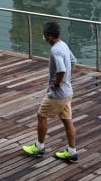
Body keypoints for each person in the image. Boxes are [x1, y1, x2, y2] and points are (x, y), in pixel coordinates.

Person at [21, 21, 78, 162]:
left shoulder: (55, 50)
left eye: (45, 34)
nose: (44, 36)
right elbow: (72, 61)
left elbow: (61, 69)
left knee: (41, 115)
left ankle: (39, 147)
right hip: (68, 92)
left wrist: (57, 83)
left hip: (58, 94)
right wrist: (67, 80)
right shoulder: (63, 45)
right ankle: (72, 152)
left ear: (50, 36)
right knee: (67, 120)